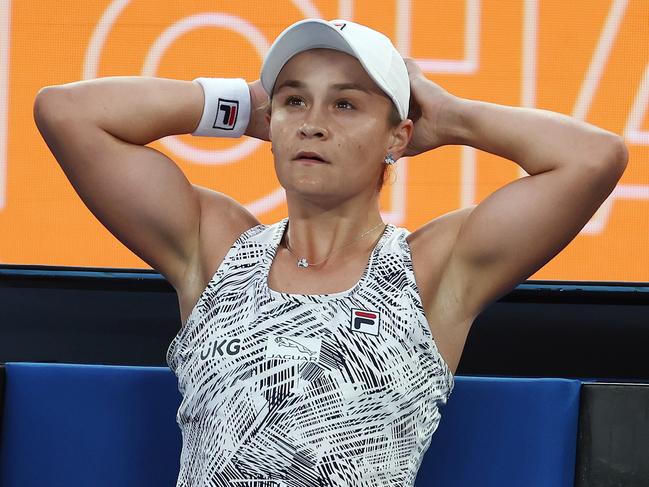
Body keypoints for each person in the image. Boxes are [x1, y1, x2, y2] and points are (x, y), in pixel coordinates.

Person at [34, 17, 627, 487]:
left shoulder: (430, 270)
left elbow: (593, 158)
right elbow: (68, 112)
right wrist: (244, 104)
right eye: (294, 102)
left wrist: (448, 116)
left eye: (345, 105)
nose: (312, 124)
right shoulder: (217, 251)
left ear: (399, 136)